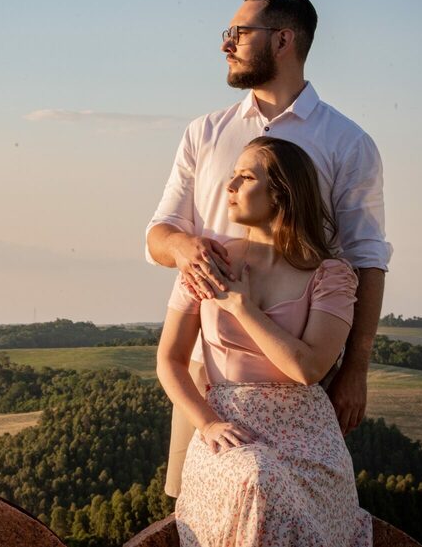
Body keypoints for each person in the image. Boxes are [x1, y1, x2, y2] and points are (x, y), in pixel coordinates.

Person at [145, 0, 392, 497]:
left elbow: (366, 257)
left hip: (297, 367)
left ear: (282, 39)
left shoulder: (347, 142)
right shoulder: (204, 133)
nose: (225, 44)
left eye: (238, 32)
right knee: (192, 505)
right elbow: (159, 235)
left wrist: (355, 370)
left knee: (291, 504)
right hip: (206, 360)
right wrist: (185, 249)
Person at [156, 136, 373, 546]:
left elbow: (308, 369)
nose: (230, 186)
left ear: (281, 194)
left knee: (272, 485)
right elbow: (169, 360)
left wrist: (242, 307)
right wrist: (208, 423)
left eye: (245, 176)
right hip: (226, 426)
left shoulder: (331, 275)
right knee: (256, 477)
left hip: (307, 434)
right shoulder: (208, 263)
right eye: (232, 175)